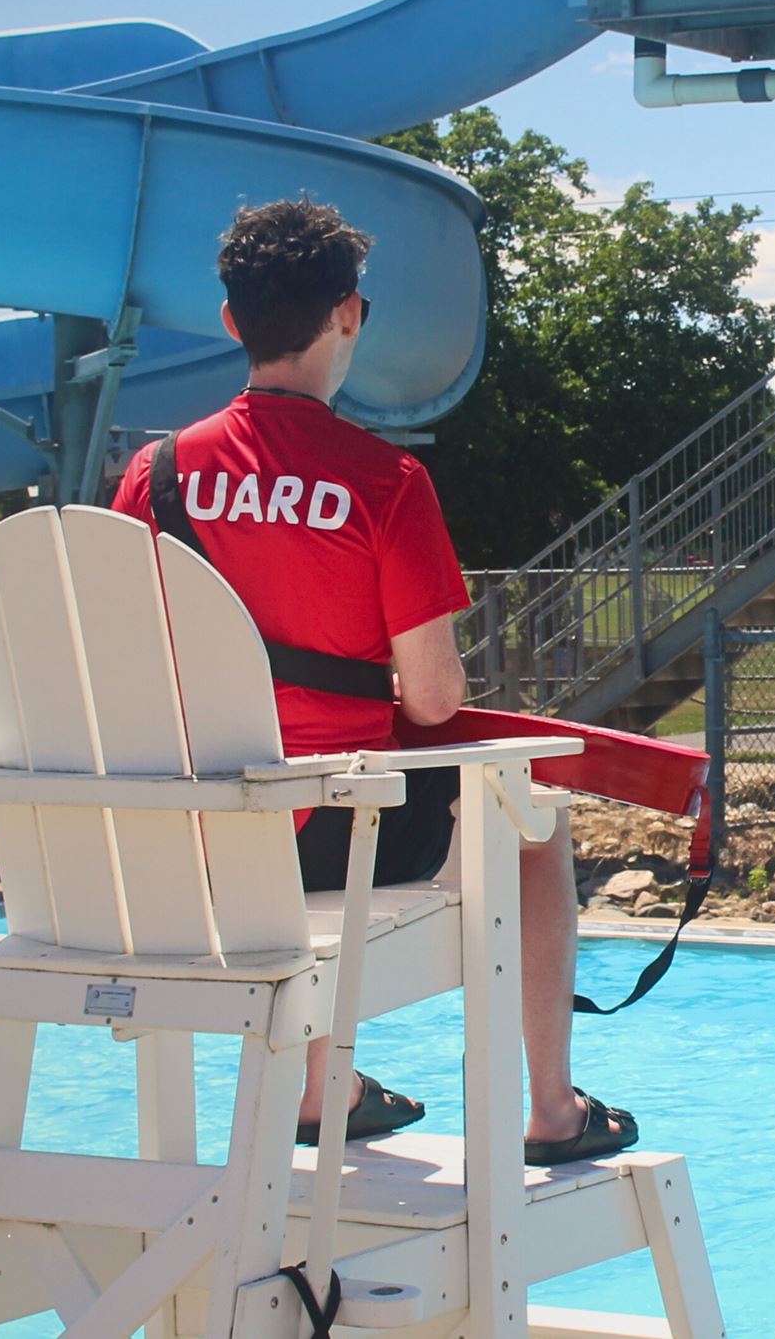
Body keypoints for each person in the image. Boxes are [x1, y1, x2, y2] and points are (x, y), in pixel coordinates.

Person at [109, 198, 633, 1168]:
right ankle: (552, 1107)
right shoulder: (382, 480)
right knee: (536, 819)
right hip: (328, 843)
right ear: (348, 314)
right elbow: (433, 701)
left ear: (231, 322)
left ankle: (325, 1083)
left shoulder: (156, 473)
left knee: (280, 778)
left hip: (188, 851)